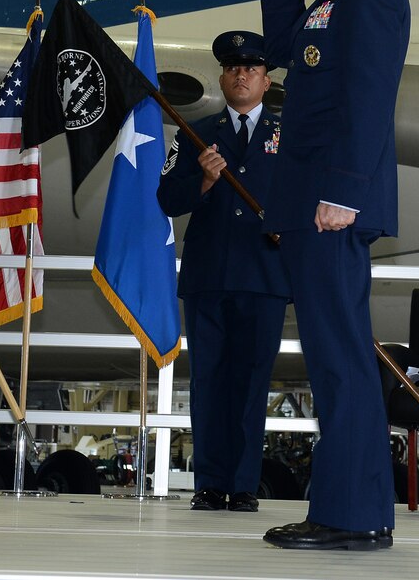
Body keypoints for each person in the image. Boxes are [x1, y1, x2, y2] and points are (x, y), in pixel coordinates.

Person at [257, 0, 410, 550]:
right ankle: (356, 510)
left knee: (341, 357)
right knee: (333, 355)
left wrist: (343, 192)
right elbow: (290, 51)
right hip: (316, 198)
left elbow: (369, 98)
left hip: (332, 200)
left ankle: (349, 516)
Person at [157, 31, 288, 515]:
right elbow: (167, 198)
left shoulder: (288, 136)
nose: (241, 75)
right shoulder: (195, 132)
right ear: (222, 78)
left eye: (251, 68)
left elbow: (300, 203)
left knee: (253, 384)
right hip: (210, 276)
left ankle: (244, 484)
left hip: (265, 277)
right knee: (209, 382)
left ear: (265, 80)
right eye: (233, 68)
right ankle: (211, 483)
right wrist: (205, 180)